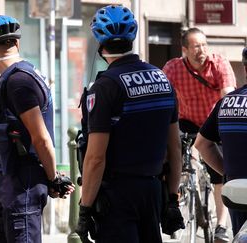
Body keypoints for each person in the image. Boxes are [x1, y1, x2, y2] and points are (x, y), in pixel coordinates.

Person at [75, 5, 183, 243]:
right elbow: (175, 146)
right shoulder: (162, 79)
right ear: (132, 38)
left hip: (117, 196)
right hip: (154, 192)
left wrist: (85, 208)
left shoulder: (105, 87)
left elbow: (95, 158)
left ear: (100, 44)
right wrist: (173, 199)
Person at [0, 15, 74, 243]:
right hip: (12, 182)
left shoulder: (19, 82)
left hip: (24, 184)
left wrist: (53, 178)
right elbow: (9, 129)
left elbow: (41, 138)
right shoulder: (13, 78)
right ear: (16, 43)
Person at [163, 27, 236, 242]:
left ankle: (221, 226)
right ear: (185, 49)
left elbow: (228, 96)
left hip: (213, 121)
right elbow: (164, 96)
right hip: (187, 120)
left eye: (204, 45)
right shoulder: (173, 68)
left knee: (220, 172)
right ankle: (173, 204)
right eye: (196, 46)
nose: (201, 50)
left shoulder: (219, 63)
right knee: (172, 157)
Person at [194, 46, 247, 236]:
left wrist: (229, 173)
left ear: (245, 69)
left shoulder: (226, 102)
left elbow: (202, 144)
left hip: (236, 191)